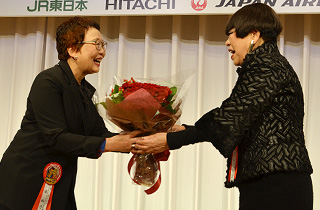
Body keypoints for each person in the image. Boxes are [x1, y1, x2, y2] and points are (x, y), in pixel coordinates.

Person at [131, 3, 313, 210]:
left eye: (232, 34)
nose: (227, 43)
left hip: (277, 186)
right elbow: (239, 120)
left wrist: (170, 140)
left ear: (254, 34)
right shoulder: (267, 64)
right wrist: (185, 130)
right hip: (273, 182)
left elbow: (229, 118)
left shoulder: (266, 65)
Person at [0, 16, 137, 210]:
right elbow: (56, 137)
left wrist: (141, 141)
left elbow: (99, 134)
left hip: (60, 182)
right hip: (26, 182)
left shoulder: (85, 90)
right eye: (96, 44)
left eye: (103, 45)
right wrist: (108, 144)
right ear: (72, 50)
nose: (103, 52)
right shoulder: (48, 81)